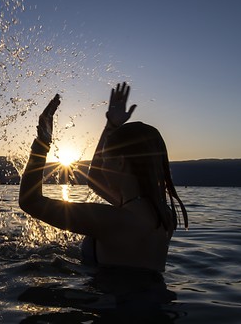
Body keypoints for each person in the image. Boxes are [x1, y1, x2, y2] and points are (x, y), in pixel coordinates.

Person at [19, 83, 187, 272]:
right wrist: (112, 126)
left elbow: (30, 201)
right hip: (148, 297)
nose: (102, 165)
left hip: (110, 298)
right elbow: (95, 179)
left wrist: (42, 142)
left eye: (106, 159)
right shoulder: (164, 217)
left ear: (121, 162)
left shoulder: (114, 220)